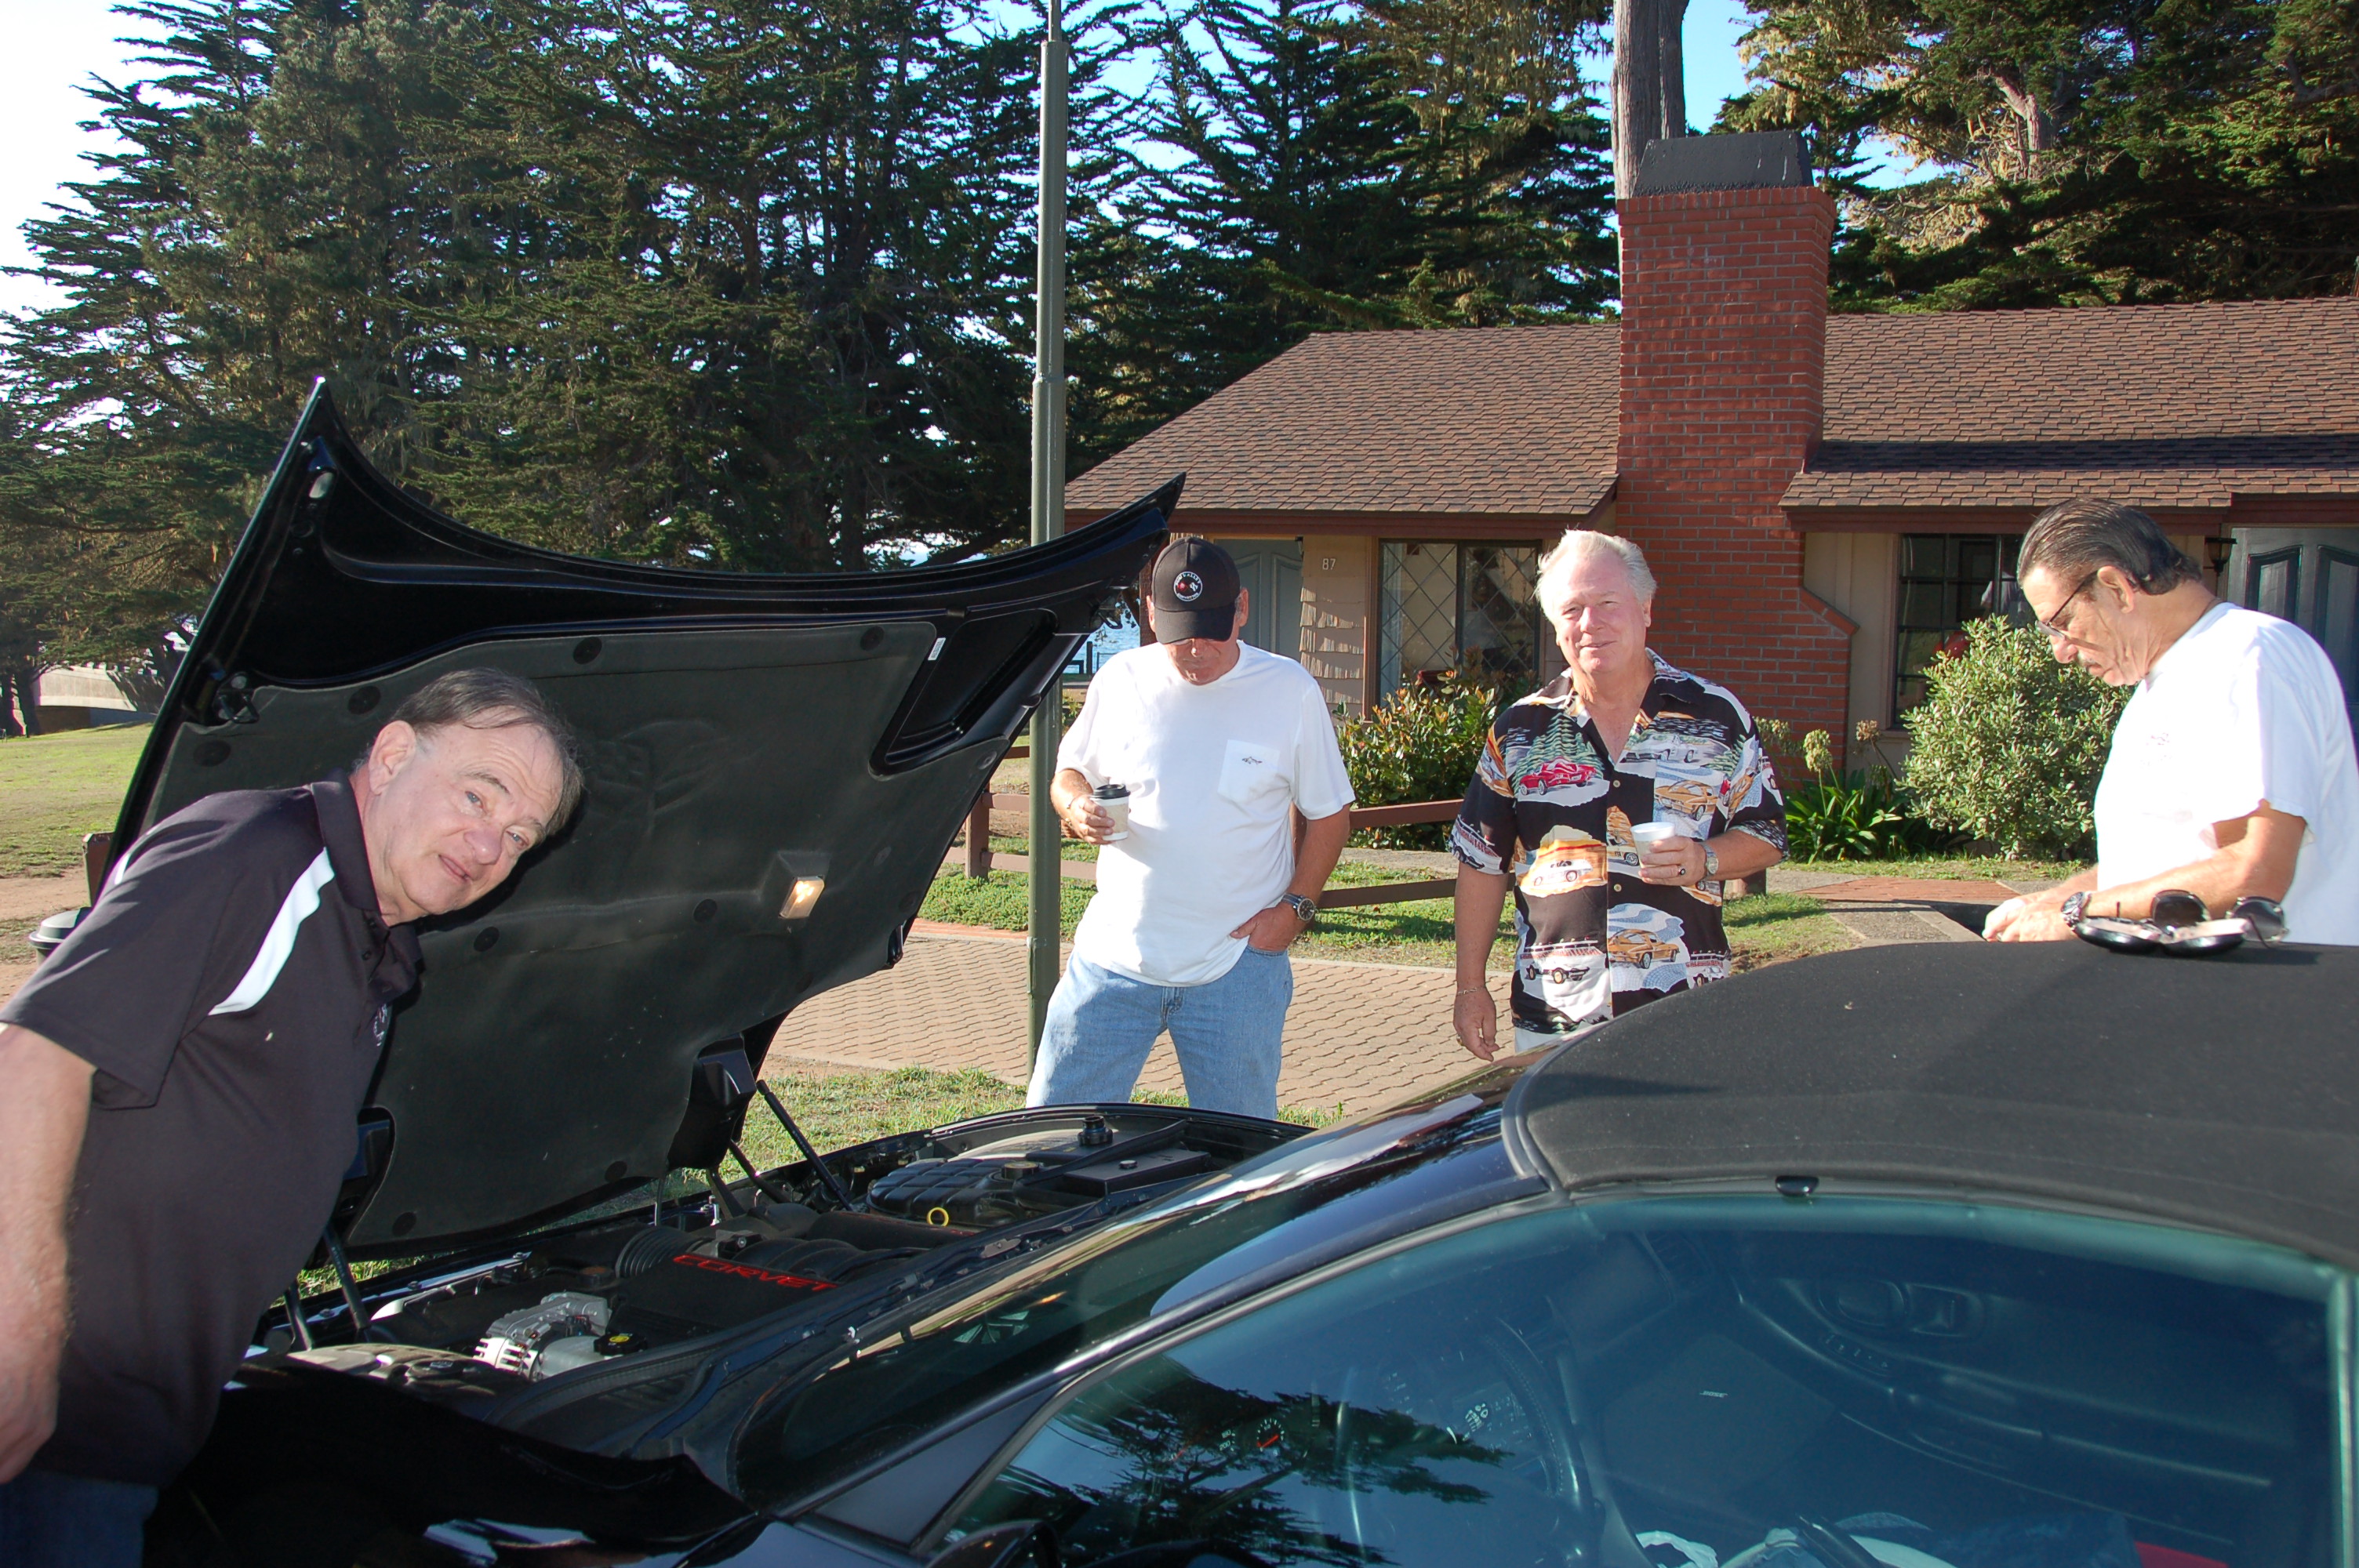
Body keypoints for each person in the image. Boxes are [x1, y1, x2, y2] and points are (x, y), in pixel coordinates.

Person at [0, 669, 583, 1563]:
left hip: (132, 1428)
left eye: (518, 835)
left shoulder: (380, 945)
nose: (489, 843)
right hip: (50, 1419)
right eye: (478, 792)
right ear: (392, 754)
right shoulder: (259, 854)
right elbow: (35, 1057)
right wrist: (23, 1343)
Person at [1029, 536, 1355, 1119]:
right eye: (1180, 633)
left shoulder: (1289, 691)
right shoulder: (1121, 678)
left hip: (1235, 973)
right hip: (1110, 964)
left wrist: (1294, 912)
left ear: (1243, 610)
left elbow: (1330, 812)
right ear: (1150, 615)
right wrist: (1075, 806)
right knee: (1051, 1137)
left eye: (1212, 630)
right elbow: (1068, 772)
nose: (1197, 650)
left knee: (1236, 1158)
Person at [1452, 531, 1786, 1060]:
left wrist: (1706, 857)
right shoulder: (1520, 732)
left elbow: (1767, 835)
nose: (1590, 624)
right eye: (1573, 609)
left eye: (1607, 604)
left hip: (1685, 1012)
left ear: (1645, 608)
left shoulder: (1717, 718)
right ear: (1555, 624)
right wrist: (1470, 989)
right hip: (1555, 1017)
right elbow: (1480, 863)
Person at [1985, 499, 2359, 943]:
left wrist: (2074, 913)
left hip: (2270, 995)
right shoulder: (2165, 679)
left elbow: (2253, 870)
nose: (2060, 650)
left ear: (2117, 588)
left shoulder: (2248, 657)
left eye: (2061, 623)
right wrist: (2054, 899)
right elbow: (2158, 861)